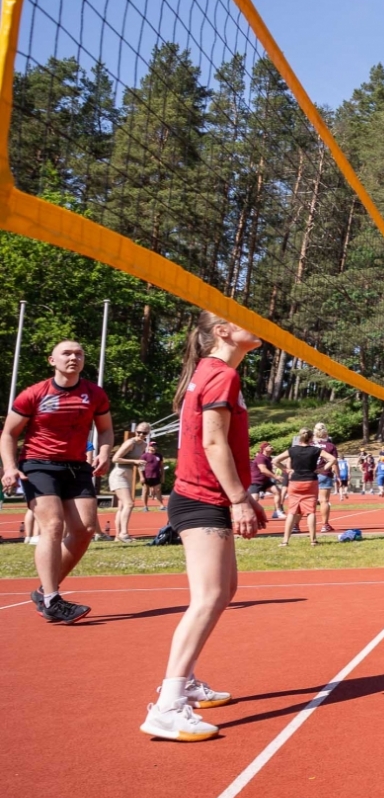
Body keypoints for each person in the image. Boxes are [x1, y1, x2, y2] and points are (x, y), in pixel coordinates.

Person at [141, 311, 266, 741]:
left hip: (203, 495)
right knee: (209, 596)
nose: (259, 324)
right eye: (245, 319)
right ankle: (168, 705)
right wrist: (237, 499)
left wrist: (243, 496)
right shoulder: (221, 374)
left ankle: (186, 682)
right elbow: (213, 442)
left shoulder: (212, 371)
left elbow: (213, 441)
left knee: (224, 590)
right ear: (223, 331)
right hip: (201, 498)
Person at [1, 339, 112, 624]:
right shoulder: (34, 394)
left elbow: (106, 429)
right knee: (52, 525)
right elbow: (9, 434)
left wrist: (104, 452)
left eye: (79, 353)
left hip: (77, 466)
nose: (73, 357)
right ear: (52, 360)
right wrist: (10, 467)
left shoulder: (94, 393)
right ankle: (52, 600)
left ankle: (43, 590)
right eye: (66, 353)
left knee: (85, 529)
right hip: (39, 464)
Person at [276, 429, 333, 546]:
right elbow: (333, 459)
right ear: (312, 438)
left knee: (291, 512)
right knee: (311, 512)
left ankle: (285, 540)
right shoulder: (316, 450)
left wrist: (286, 470)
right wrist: (323, 469)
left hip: (295, 482)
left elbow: (275, 460)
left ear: (300, 438)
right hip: (310, 481)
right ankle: (313, 540)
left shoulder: (292, 450)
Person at [108, 425, 148, 542]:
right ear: (135, 431)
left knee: (122, 506)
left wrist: (141, 469)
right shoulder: (130, 443)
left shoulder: (144, 445)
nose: (141, 435)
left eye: (144, 433)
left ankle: (117, 536)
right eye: (139, 432)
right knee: (129, 504)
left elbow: (137, 462)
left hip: (129, 474)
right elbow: (115, 458)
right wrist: (134, 461)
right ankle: (124, 534)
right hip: (119, 473)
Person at [311, 422, 338, 533]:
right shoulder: (330, 446)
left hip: (309, 474)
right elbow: (334, 462)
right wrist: (337, 476)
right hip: (324, 473)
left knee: (306, 500)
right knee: (324, 501)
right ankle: (324, 525)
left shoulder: (309, 444)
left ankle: (296, 525)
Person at [248, 442, 278, 521]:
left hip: (265, 481)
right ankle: (250, 514)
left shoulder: (269, 458)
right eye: (269, 446)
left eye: (271, 445)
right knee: (255, 499)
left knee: (277, 491)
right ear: (264, 448)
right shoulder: (260, 457)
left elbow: (268, 470)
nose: (271, 447)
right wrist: (276, 477)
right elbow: (263, 470)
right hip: (256, 480)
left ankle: (277, 511)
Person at [141, 441, 165, 510]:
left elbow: (162, 467)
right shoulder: (144, 456)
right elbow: (140, 467)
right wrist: (141, 476)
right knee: (145, 491)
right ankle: (145, 506)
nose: (153, 447)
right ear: (149, 447)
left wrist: (163, 476)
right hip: (147, 476)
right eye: (152, 446)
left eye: (155, 446)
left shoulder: (159, 456)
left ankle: (161, 506)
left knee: (158, 490)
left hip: (156, 476)